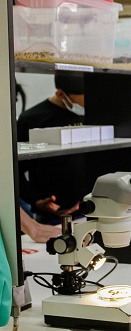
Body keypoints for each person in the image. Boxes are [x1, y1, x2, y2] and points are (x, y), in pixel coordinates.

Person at [17, 74, 85, 224]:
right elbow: (15, 170)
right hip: (52, 216)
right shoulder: (32, 119)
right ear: (60, 93)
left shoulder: (93, 115)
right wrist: (37, 201)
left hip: (89, 208)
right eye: (81, 102)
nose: (84, 107)